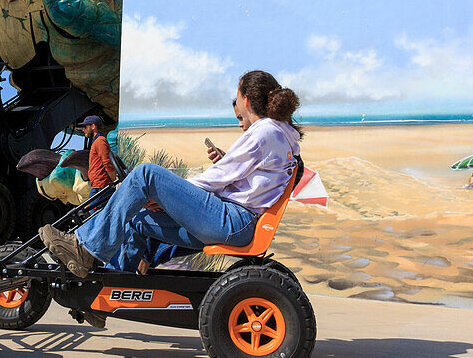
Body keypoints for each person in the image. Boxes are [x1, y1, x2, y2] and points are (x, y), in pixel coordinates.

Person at [40, 71, 302, 277]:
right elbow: (246, 177)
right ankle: (108, 291)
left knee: (146, 174)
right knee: (138, 220)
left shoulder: (266, 130)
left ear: (245, 100)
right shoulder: (279, 133)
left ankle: (84, 249)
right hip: (233, 222)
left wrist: (166, 195)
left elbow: (217, 178)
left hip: (232, 221)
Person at [79, 115, 117, 196]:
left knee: (94, 208)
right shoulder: (96, 142)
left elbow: (107, 162)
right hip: (98, 186)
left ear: (93, 126)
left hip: (101, 187)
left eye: (85, 126)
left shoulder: (100, 141)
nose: (83, 130)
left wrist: (113, 181)